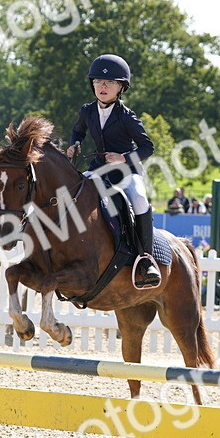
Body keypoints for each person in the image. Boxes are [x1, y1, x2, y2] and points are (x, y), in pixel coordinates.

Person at [65, 53, 160, 288]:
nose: (103, 86)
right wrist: (75, 143)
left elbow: (148, 147)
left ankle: (146, 259)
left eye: (109, 83)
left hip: (126, 172)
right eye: (98, 82)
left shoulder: (127, 117)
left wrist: (123, 157)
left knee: (139, 200)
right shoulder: (87, 111)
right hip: (99, 169)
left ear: (121, 88)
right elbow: (78, 131)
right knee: (72, 195)